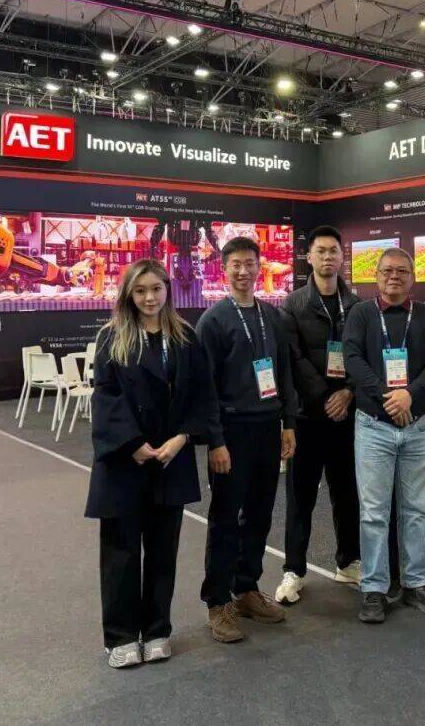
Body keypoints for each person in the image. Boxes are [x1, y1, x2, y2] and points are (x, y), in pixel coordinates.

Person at [86, 259, 216, 669]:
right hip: (125, 460)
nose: (149, 298)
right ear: (128, 293)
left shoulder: (185, 337)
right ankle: (121, 636)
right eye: (140, 290)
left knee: (163, 552)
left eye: (156, 289)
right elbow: (105, 396)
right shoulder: (112, 337)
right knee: (121, 552)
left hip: (170, 458)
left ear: (167, 290)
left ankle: (157, 629)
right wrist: (133, 444)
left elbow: (201, 394)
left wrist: (183, 437)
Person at [196, 236, 298, 642]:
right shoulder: (213, 321)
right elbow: (204, 388)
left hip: (268, 427)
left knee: (259, 513)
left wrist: (288, 423)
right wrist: (215, 440)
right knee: (225, 518)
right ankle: (217, 601)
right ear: (224, 270)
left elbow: (284, 373)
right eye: (235, 264)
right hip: (231, 433)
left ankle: (246, 588)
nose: (243, 271)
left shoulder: (272, 316)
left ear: (260, 267)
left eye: (250, 263)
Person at [343, 247, 425, 624]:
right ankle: (374, 588)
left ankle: (417, 581)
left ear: (412, 277)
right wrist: (390, 397)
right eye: (387, 270)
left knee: (417, 510)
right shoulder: (361, 314)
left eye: (402, 271)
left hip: (419, 427)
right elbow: (353, 360)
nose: (394, 277)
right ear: (376, 276)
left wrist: (410, 395)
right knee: (374, 513)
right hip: (374, 426)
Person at [275, 226, 362, 604]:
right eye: (321, 251)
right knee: (300, 498)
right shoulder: (292, 305)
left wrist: (349, 392)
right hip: (308, 418)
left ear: (343, 257)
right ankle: (293, 570)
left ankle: (349, 562)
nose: (328, 257)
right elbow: (293, 359)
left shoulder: (356, 305)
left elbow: (364, 355)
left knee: (347, 494)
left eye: (334, 251)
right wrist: (327, 397)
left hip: (347, 417)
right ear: (308, 257)